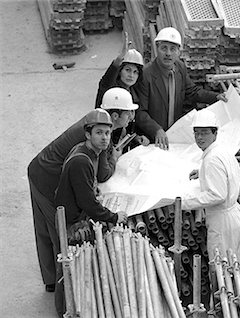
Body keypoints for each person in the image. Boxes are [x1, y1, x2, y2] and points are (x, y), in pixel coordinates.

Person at [27, 88, 136, 294]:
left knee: (46, 228)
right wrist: (114, 156)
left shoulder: (96, 123)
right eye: (128, 113)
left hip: (40, 168)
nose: (131, 118)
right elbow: (103, 174)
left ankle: (51, 279)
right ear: (115, 116)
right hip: (47, 178)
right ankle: (61, 286)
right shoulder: (101, 134)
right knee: (58, 231)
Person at [53, 109, 128, 318]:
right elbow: (88, 204)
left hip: (71, 214)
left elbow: (84, 185)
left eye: (107, 133)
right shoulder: (81, 159)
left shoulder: (87, 152)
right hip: (69, 221)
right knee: (67, 267)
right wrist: (114, 217)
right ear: (88, 134)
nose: (104, 138)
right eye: (99, 133)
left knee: (68, 266)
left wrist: (91, 187)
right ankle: (63, 312)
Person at [135, 27, 227, 150]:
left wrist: (215, 97)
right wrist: (156, 130)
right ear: (157, 48)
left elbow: (193, 92)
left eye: (173, 49)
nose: (168, 53)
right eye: (164, 48)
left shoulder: (180, 68)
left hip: (175, 136)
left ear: (179, 52)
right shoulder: (146, 74)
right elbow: (140, 112)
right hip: (153, 139)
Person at [181, 108, 240, 262]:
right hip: (234, 216)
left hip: (223, 222)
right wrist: (203, 173)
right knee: (238, 265)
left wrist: (183, 203)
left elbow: (217, 195)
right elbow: (238, 175)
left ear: (215, 133)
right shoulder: (222, 151)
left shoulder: (212, 159)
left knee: (222, 268)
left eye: (204, 133)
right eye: (196, 133)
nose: (199, 137)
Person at [95, 32, 150, 149]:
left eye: (135, 72)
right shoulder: (110, 92)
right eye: (128, 70)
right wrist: (120, 58)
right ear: (120, 71)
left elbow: (128, 126)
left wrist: (136, 138)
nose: (131, 75)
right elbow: (105, 82)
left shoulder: (134, 95)